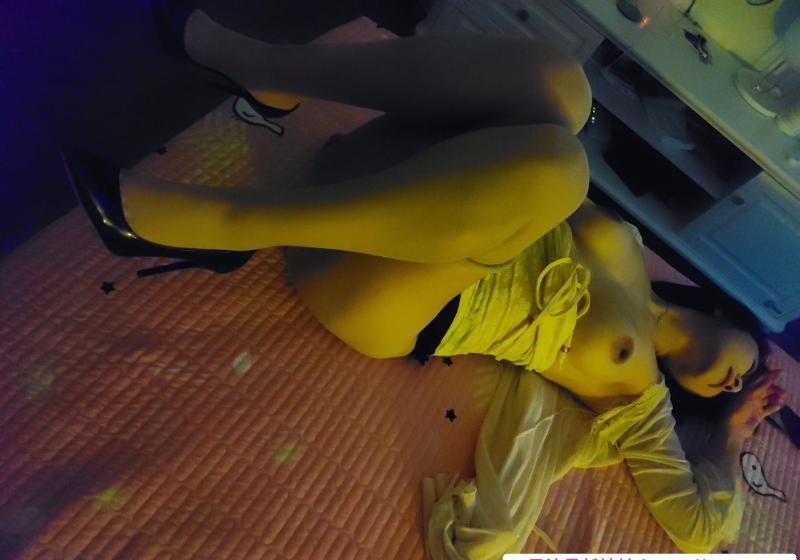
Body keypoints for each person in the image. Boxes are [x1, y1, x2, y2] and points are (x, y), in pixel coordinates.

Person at [62, 6, 786, 556]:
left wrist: (731, 433)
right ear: (728, 315)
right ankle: (267, 69)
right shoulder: (629, 249)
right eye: (751, 367)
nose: (736, 385)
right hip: (381, 186)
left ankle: (225, 224)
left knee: (562, 171)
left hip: (386, 292)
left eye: (733, 393)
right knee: (564, 93)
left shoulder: (640, 400)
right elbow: (511, 150)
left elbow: (697, 529)